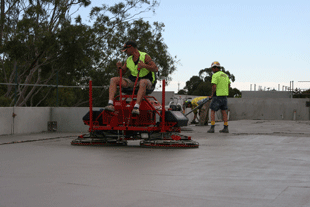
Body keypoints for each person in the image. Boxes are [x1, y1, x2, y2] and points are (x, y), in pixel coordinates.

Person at [105, 41, 158, 115]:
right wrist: (119, 68)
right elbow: (122, 73)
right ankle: (110, 104)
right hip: (133, 81)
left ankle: (136, 107)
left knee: (143, 82)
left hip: (147, 81)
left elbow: (155, 69)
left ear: (131, 48)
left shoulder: (144, 56)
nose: (125, 52)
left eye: (126, 50)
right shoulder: (128, 60)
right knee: (113, 79)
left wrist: (144, 66)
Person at [207, 61, 231, 133]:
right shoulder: (225, 75)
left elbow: (214, 86)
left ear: (215, 68)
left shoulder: (215, 75)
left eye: (212, 68)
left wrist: (212, 95)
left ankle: (212, 127)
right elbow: (229, 85)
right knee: (223, 111)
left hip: (217, 95)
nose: (212, 70)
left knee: (212, 111)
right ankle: (226, 127)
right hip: (224, 96)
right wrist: (225, 92)